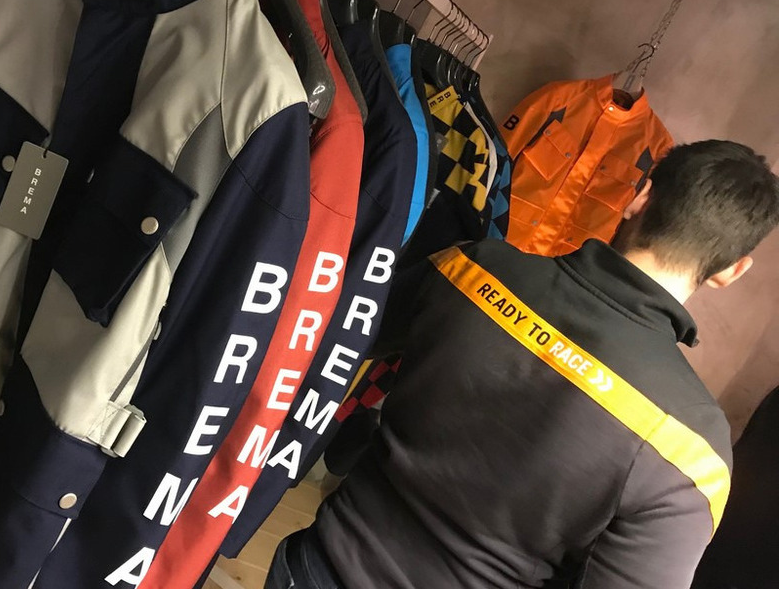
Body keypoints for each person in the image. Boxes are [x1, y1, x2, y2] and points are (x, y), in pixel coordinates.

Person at [265, 140, 779, 589]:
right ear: (732, 271)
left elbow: (332, 344)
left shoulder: (470, 267)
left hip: (315, 565)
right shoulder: (692, 449)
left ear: (640, 197)